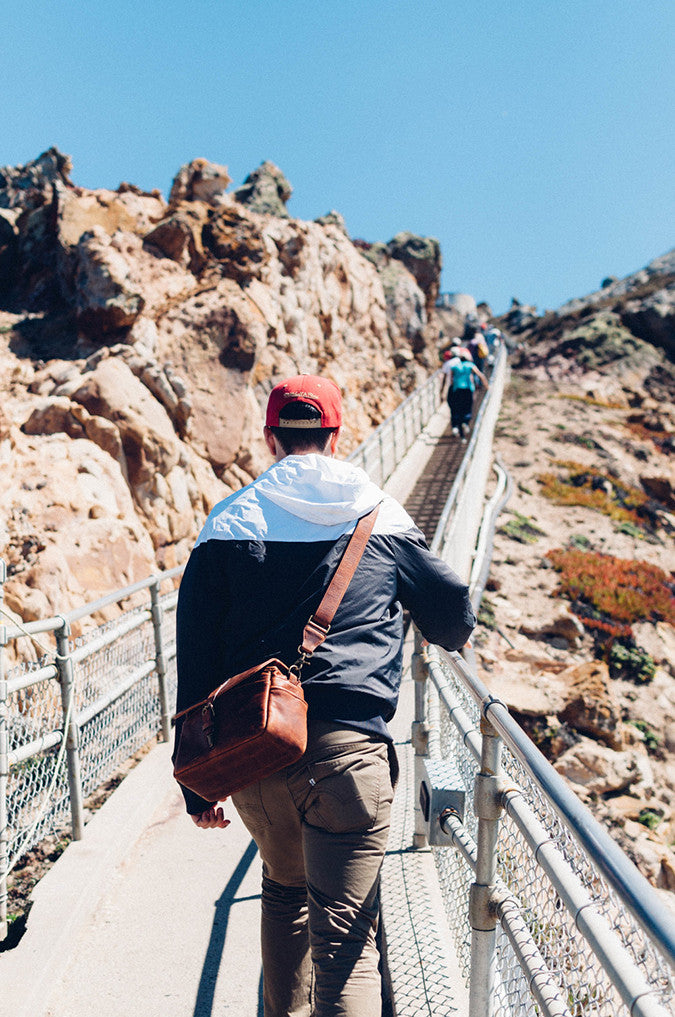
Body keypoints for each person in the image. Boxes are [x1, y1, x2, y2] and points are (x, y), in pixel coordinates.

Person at [174, 374, 476, 1017]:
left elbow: (195, 655)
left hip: (258, 753)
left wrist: (197, 782)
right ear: (337, 435)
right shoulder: (382, 514)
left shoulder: (229, 519)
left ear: (269, 435)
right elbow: (451, 610)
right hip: (350, 759)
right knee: (346, 945)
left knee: (283, 895)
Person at [441, 348, 488, 440]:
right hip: (468, 389)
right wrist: (486, 386)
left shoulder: (454, 367)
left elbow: (451, 380)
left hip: (457, 389)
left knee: (457, 408)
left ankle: (457, 426)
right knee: (468, 406)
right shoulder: (470, 365)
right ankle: (465, 422)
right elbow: (480, 375)